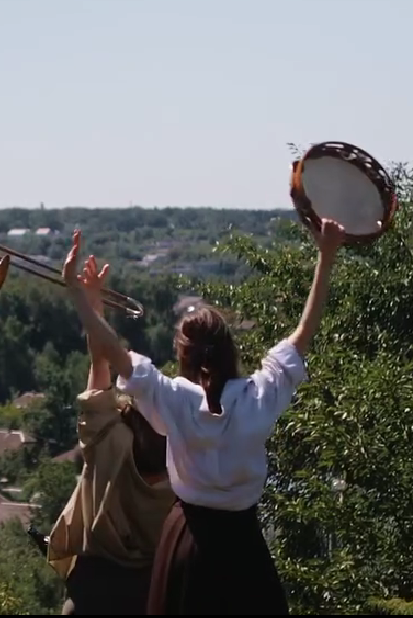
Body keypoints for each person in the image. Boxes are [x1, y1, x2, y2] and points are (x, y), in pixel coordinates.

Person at [61, 220, 345, 615]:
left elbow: (112, 352)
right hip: (243, 549)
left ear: (183, 357)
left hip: (185, 545)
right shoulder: (256, 399)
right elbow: (304, 331)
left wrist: (80, 295)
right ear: (230, 351)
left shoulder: (175, 400)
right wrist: (327, 253)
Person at [47, 254, 178, 615]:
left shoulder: (108, 442)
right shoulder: (185, 467)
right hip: (153, 595)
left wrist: (90, 303)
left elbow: (100, 364)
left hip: (92, 593)